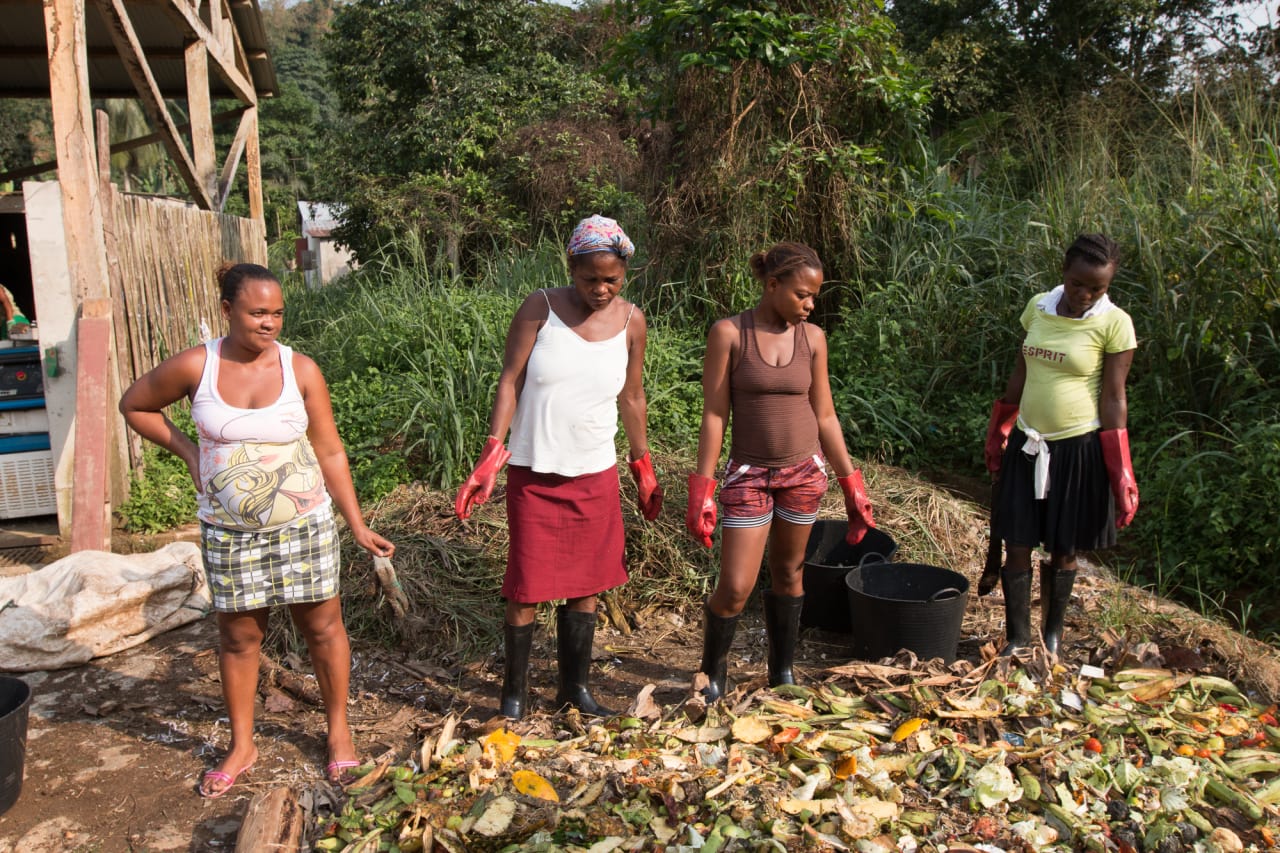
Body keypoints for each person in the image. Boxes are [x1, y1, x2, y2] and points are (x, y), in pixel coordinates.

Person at [119, 262, 394, 798]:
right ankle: (243, 744)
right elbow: (136, 404)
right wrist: (189, 450)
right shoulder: (198, 365)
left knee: (322, 629)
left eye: (277, 313)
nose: (269, 323)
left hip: (303, 525)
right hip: (228, 530)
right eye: (256, 312)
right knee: (240, 638)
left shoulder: (301, 370)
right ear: (227, 310)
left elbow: (330, 450)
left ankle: (338, 732)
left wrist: (356, 524)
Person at [454, 215, 662, 720]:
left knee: (586, 584)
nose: (601, 289)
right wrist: (490, 455)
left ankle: (574, 689)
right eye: (590, 278)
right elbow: (510, 381)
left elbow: (632, 396)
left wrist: (643, 465)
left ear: (625, 275)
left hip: (594, 471)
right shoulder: (539, 309)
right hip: (535, 471)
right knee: (526, 585)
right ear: (571, 267)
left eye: (612, 279)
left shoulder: (632, 321)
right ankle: (514, 694)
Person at [685, 242, 875, 701]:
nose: (811, 305)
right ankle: (712, 675)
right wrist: (703, 487)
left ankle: (782, 670)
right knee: (734, 587)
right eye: (802, 295)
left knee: (790, 573)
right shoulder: (730, 334)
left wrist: (852, 484)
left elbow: (825, 415)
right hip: (749, 474)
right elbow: (715, 415)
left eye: (815, 297)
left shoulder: (812, 340)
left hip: (803, 474)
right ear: (773, 285)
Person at [985, 233, 1138, 657]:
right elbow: (1021, 371)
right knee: (1016, 542)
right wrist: (999, 428)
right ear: (1064, 274)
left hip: (1077, 449)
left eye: (1097, 288)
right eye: (1077, 284)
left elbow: (1114, 398)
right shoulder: (1037, 307)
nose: (1085, 294)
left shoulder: (1114, 323)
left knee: (1063, 547)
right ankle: (1018, 638)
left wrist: (1120, 470)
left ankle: (1051, 637)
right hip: (1027, 441)